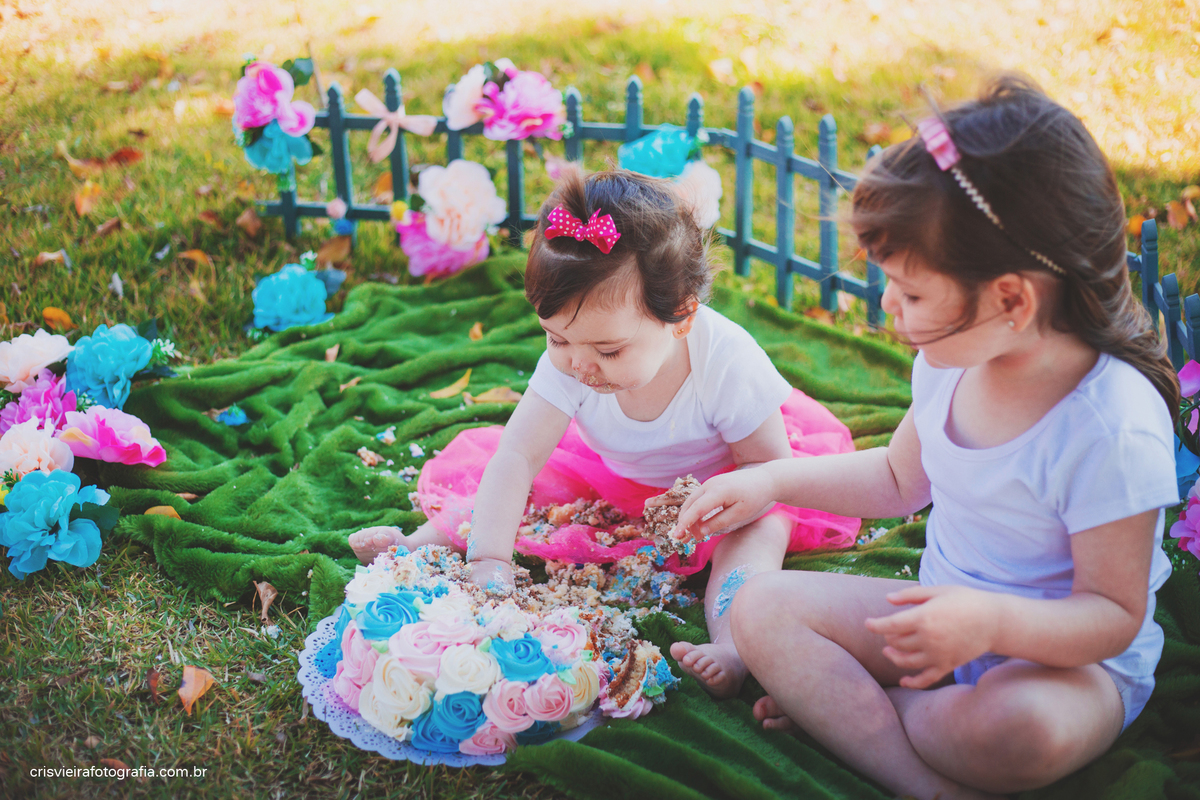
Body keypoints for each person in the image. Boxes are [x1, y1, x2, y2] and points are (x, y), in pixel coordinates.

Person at [669, 75, 1180, 799]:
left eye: (911, 293)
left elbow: (1113, 617)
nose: (888, 305)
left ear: (1010, 299)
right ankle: (924, 779)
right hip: (936, 617)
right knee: (759, 608)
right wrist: (771, 481)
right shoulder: (952, 361)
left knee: (1021, 732)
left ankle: (858, 710)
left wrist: (989, 624)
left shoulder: (1109, 427)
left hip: (1066, 667)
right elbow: (897, 480)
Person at [350, 166, 860, 697]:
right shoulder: (575, 360)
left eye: (609, 350)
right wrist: (490, 561)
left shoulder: (727, 362)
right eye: (555, 339)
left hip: (724, 486)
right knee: (525, 486)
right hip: (611, 473)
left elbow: (768, 470)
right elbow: (518, 455)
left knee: (754, 538)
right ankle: (420, 546)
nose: (579, 365)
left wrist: (729, 504)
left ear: (682, 317)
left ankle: (733, 644)